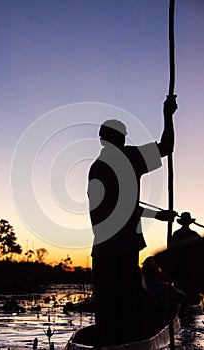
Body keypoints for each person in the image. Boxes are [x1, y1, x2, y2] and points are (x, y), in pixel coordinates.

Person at [87, 95, 178, 346]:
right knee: (127, 305)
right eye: (122, 135)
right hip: (124, 249)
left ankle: (109, 337)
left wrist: (158, 215)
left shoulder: (96, 167)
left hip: (103, 250)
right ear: (117, 138)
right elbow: (166, 146)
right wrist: (168, 115)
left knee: (107, 308)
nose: (124, 139)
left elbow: (122, 209)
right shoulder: (129, 157)